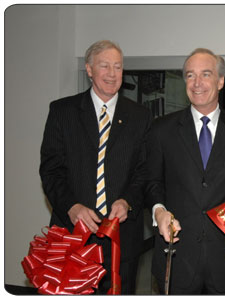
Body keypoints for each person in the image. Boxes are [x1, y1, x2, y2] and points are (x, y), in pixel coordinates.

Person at [145, 48, 225, 295]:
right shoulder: (161, 129)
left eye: (205, 74)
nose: (197, 83)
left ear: (221, 81)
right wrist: (158, 211)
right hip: (177, 258)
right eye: (190, 75)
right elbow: (152, 181)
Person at [39, 40, 152, 294]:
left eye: (118, 67)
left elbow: (145, 171)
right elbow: (50, 170)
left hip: (121, 239)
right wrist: (72, 206)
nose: (112, 74)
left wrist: (128, 201)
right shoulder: (62, 111)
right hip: (72, 237)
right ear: (89, 69)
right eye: (104, 66)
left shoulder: (140, 116)